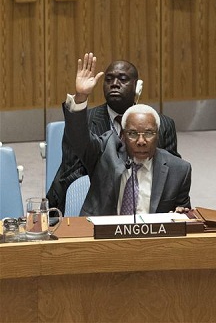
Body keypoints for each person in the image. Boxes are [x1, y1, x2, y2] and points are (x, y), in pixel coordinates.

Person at [62, 53, 191, 216]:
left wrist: (182, 214)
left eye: (149, 133)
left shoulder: (179, 170)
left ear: (158, 136)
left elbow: (182, 211)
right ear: (121, 135)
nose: (141, 141)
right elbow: (79, 140)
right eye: (132, 134)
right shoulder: (105, 154)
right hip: (105, 232)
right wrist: (81, 97)